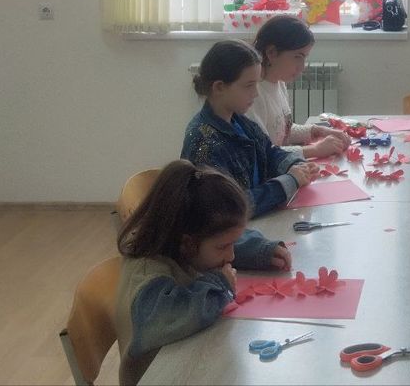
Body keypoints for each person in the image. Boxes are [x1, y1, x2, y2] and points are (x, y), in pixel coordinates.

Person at [114, 160, 291, 386]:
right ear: (187, 243)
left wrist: (261, 250)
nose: (231, 255)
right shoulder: (146, 275)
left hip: (190, 363)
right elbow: (176, 314)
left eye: (232, 245)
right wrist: (219, 284)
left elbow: (220, 237)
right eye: (224, 247)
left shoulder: (176, 238)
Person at [181, 39, 318, 217]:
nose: (256, 93)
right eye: (249, 85)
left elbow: (269, 152)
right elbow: (230, 208)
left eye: (256, 84)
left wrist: (296, 165)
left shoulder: (240, 121)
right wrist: (290, 181)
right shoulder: (205, 143)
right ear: (219, 87)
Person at [249, 15, 349, 159]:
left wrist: (318, 131)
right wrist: (314, 150)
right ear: (272, 53)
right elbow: (262, 154)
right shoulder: (252, 95)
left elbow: (281, 131)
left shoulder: (278, 83)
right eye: (298, 56)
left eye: (305, 57)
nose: (302, 67)